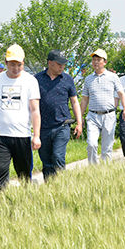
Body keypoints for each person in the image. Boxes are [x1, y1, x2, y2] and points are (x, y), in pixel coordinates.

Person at [0, 44, 41, 196]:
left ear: (23, 63)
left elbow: (35, 110)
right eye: (12, 64)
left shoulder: (30, 81)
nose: (15, 68)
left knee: (24, 177)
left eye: (19, 64)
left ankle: (25, 206)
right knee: (0, 177)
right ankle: (1, 209)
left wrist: (36, 136)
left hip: (22, 137)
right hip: (1, 137)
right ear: (6, 63)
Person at [34, 50, 82, 181]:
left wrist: (79, 122)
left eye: (63, 64)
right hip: (43, 128)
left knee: (58, 156)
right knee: (47, 161)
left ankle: (61, 186)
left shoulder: (67, 79)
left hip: (62, 125)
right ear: (50, 63)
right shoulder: (37, 79)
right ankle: (50, 188)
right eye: (59, 64)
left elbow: (74, 101)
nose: (62, 67)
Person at [80, 49, 125, 164]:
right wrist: (80, 116)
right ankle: (93, 169)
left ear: (105, 62)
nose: (95, 62)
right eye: (94, 60)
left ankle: (105, 170)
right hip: (93, 116)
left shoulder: (113, 77)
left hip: (109, 116)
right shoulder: (88, 79)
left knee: (107, 148)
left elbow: (121, 94)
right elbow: (85, 98)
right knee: (91, 144)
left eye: (98, 60)